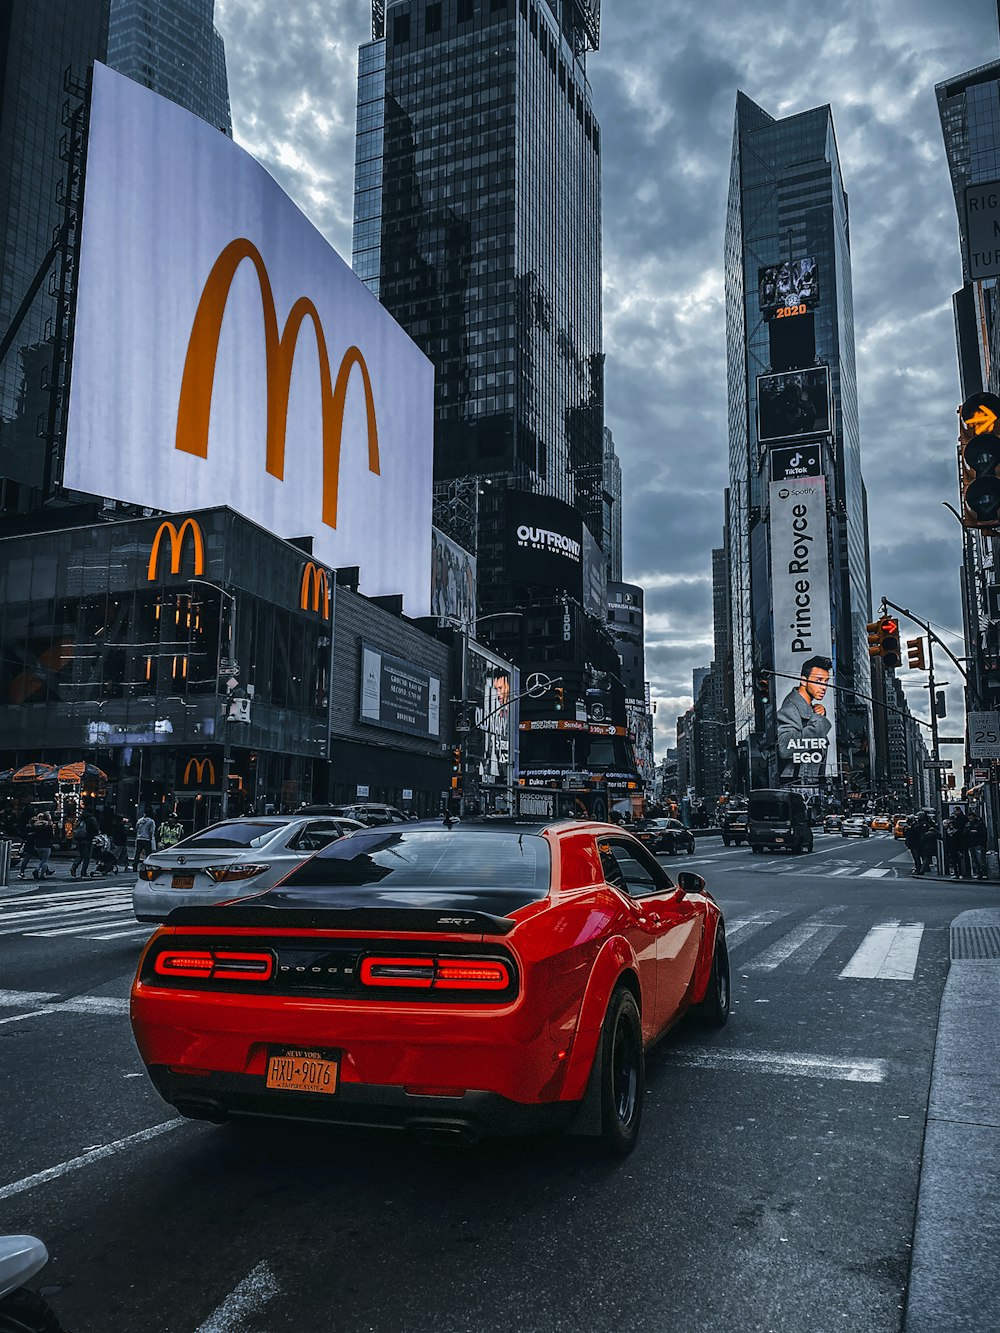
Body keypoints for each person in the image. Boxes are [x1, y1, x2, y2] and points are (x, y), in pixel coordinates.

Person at [776, 656, 833, 785]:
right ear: (803, 681)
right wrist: (819, 720)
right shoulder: (790, 709)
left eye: (826, 681)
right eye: (818, 680)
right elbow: (784, 748)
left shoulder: (809, 709)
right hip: (797, 785)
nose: (824, 686)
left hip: (808, 785)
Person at [19, 807, 56, 880]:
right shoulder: (45, 825)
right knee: (42, 859)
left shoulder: (34, 825)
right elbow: (50, 834)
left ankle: (45, 870)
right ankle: (27, 872)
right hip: (36, 843)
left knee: (41, 859)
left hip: (36, 844)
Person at [70, 804, 100, 879]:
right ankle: (83, 872)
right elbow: (95, 828)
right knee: (87, 857)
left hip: (79, 838)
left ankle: (74, 866)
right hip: (88, 839)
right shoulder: (91, 818)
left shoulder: (81, 818)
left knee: (81, 855)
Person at [966, 812, 988, 880]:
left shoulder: (980, 823)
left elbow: (984, 832)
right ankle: (978, 873)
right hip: (971, 843)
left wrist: (976, 832)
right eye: (969, 817)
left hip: (978, 843)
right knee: (974, 860)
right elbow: (965, 833)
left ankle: (984, 873)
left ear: (974, 817)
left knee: (980, 859)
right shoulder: (968, 824)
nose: (970, 818)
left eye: (971, 817)